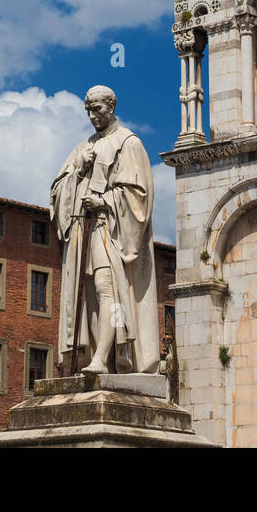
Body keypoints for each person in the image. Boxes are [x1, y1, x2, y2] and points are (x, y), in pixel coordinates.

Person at [50, 85, 160, 374]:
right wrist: (78, 171)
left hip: (108, 229)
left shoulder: (128, 143)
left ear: (111, 107)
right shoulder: (82, 148)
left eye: (97, 109)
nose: (92, 115)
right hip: (80, 232)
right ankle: (94, 359)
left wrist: (103, 200)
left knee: (105, 289)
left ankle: (102, 358)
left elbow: (139, 196)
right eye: (88, 109)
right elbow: (57, 193)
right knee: (86, 298)